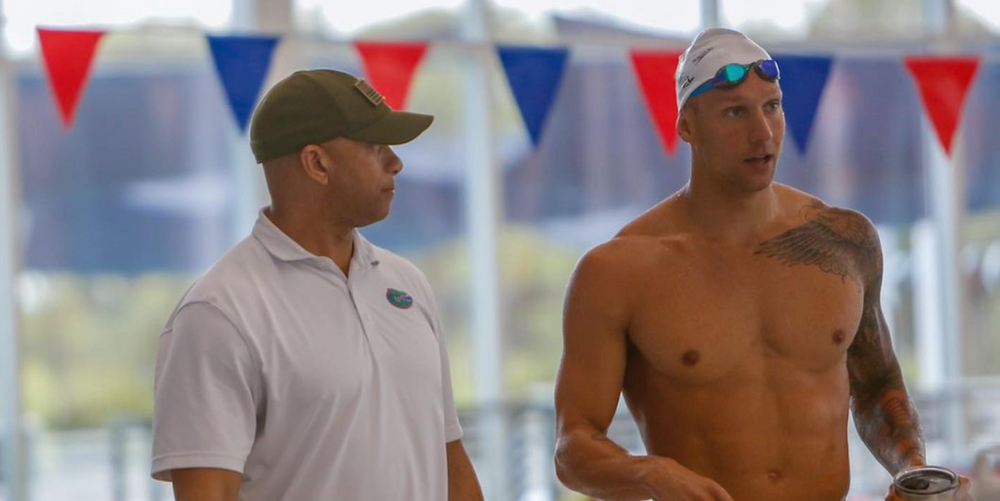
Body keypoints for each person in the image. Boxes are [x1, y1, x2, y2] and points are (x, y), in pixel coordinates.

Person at [553, 28, 972, 501]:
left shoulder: (842, 241)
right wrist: (652, 474)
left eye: (771, 106)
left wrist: (912, 470)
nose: (762, 132)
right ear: (686, 126)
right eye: (735, 112)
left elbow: (877, 385)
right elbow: (574, 447)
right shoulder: (619, 271)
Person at [151, 69, 484, 501]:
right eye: (374, 146)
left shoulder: (408, 285)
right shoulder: (219, 313)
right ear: (317, 163)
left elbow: (448, 456)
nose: (396, 162)